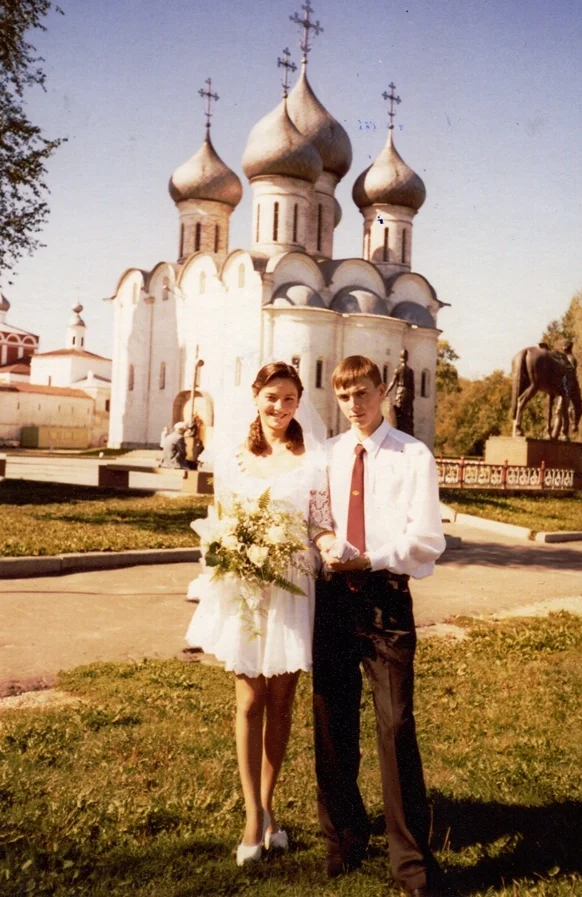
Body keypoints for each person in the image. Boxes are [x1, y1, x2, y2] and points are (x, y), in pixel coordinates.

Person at [314, 355, 456, 897]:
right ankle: (344, 837)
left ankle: (411, 865)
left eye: (364, 392)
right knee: (331, 721)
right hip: (333, 601)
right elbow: (317, 516)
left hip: (384, 601)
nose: (356, 404)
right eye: (345, 395)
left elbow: (426, 540)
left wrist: (368, 560)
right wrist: (325, 539)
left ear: (383, 391)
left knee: (395, 727)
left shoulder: (411, 456)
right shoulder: (328, 454)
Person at [185, 362, 335, 866]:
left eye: (289, 399)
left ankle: (270, 808)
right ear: (256, 398)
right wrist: (225, 560)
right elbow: (221, 520)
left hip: (292, 586)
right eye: (271, 397)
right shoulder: (234, 457)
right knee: (250, 699)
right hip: (245, 589)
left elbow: (319, 520)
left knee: (283, 698)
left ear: (299, 403)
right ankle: (252, 816)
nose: (280, 408)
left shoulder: (313, 457)